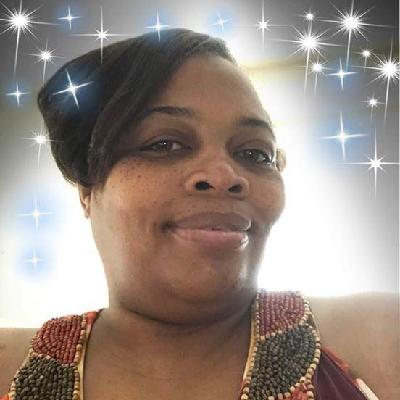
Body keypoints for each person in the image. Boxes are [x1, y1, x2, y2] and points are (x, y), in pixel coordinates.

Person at [0, 28, 398, 400]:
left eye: (255, 153)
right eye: (165, 144)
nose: (225, 176)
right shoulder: (8, 366)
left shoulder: (378, 340)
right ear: (88, 190)